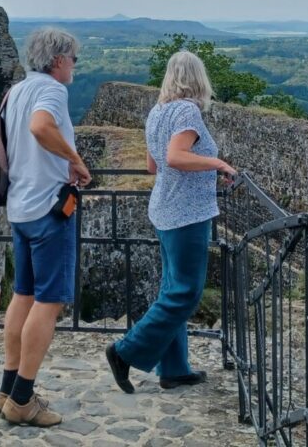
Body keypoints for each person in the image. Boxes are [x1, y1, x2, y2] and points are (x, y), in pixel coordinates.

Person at [105, 50, 236, 393]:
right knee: (185, 291)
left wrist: (198, 165)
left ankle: (174, 369)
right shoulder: (187, 110)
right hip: (186, 213)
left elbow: (154, 165)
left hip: (163, 208)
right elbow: (176, 157)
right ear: (198, 78)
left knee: (171, 286)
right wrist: (217, 164)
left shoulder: (157, 111)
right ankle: (124, 352)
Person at [0, 27, 90, 427]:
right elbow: (40, 128)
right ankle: (22, 400)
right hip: (50, 211)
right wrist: (75, 159)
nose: (75, 66)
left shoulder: (17, 90)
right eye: (73, 59)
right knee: (48, 303)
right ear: (58, 60)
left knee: (23, 295)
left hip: (19, 208)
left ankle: (6, 388)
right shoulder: (52, 90)